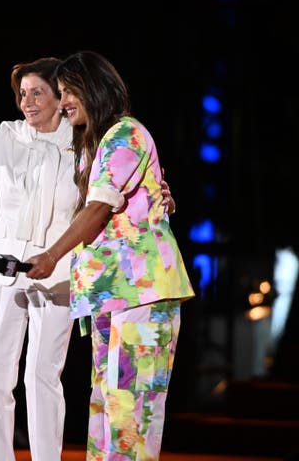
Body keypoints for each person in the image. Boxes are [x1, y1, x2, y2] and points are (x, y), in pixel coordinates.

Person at [0, 56, 175, 461]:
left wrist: (160, 191)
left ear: (61, 97)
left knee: (43, 373)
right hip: (5, 268)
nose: (27, 101)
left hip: (60, 271)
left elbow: (119, 190)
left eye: (37, 92)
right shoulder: (8, 137)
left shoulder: (86, 143)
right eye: (22, 94)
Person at [25, 51, 195, 460]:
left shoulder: (126, 134)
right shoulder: (93, 145)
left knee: (130, 410)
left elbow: (99, 206)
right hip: (108, 293)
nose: (64, 101)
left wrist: (50, 257)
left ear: (93, 88)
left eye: (68, 92)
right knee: (105, 406)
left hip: (143, 291)